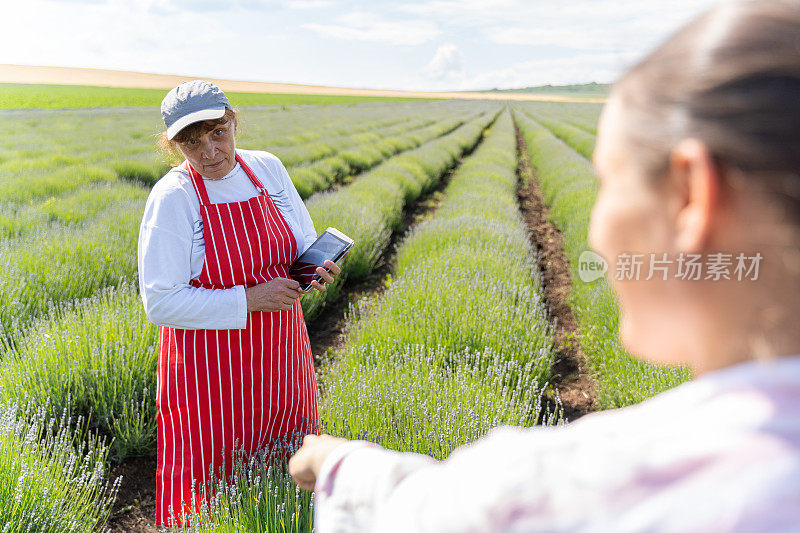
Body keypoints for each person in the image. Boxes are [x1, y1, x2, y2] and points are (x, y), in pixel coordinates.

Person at [288, 1, 800, 531]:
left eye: (609, 181)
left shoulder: (594, 487)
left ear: (693, 196)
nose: (596, 232)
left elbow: (431, 510)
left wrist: (332, 464)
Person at [137, 80, 342, 526]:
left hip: (283, 354)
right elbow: (160, 302)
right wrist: (248, 299)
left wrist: (314, 267)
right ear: (174, 146)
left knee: (288, 462)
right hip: (210, 372)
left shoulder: (266, 169)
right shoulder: (174, 197)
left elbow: (302, 239)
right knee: (214, 483)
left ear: (234, 123)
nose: (209, 151)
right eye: (191, 142)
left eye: (217, 133)